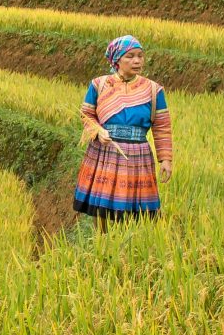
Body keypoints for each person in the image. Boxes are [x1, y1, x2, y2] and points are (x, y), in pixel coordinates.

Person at [73, 35, 173, 220]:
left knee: (136, 209)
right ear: (117, 60)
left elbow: (162, 126)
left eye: (140, 56)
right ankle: (102, 242)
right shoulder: (99, 85)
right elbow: (86, 114)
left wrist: (165, 159)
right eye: (130, 56)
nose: (137, 60)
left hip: (138, 154)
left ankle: (128, 243)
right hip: (105, 151)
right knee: (103, 206)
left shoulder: (153, 90)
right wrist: (97, 131)